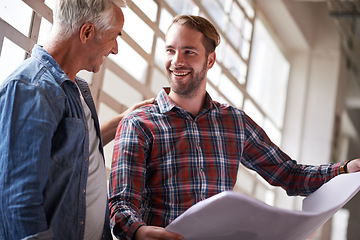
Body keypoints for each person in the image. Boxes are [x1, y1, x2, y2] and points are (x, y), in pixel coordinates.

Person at [108, 14, 360, 240]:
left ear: (210, 60)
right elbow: (121, 204)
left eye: (189, 52)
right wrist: (139, 231)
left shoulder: (234, 123)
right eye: (170, 50)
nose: (176, 61)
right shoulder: (139, 124)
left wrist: (345, 170)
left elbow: (290, 175)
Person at [0, 0, 154, 239]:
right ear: (87, 32)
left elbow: (71, 151)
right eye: (114, 36)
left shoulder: (76, 88)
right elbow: (19, 199)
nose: (115, 49)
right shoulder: (32, 88)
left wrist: (123, 121)